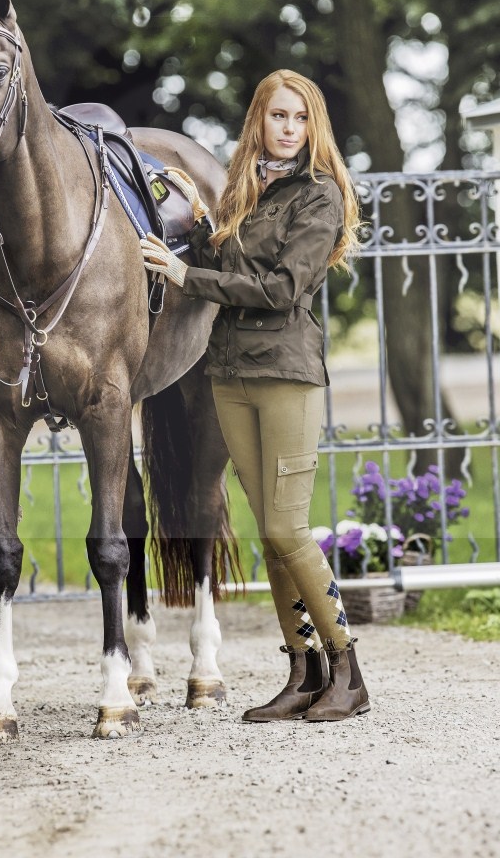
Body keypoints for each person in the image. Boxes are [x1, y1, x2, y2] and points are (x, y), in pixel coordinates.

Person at [141, 69, 370, 722]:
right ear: (258, 122)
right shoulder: (245, 191)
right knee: (270, 537)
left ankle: (348, 670)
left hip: (286, 375)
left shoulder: (319, 195)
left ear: (312, 126)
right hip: (230, 375)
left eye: (300, 118)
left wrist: (191, 275)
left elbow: (280, 289)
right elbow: (221, 259)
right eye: (278, 116)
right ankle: (304, 671)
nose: (289, 128)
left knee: (285, 527)